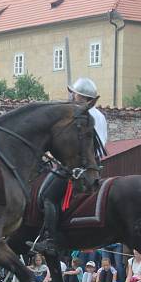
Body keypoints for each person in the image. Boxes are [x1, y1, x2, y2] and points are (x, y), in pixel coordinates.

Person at [35, 77, 105, 257]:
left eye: (73, 93)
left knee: (47, 195)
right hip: (94, 164)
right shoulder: (100, 115)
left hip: (80, 166)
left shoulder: (81, 114)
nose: (71, 95)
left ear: (82, 97)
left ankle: (50, 239)